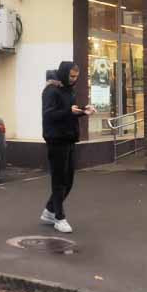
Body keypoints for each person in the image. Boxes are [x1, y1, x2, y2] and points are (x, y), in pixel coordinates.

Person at [40, 61, 93, 234]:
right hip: (56, 140)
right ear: (64, 73)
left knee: (68, 181)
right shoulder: (51, 91)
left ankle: (49, 211)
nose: (73, 79)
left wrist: (84, 111)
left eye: (76, 77)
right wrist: (70, 112)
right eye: (71, 76)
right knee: (59, 181)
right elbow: (49, 115)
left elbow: (71, 112)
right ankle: (59, 218)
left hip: (69, 138)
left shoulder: (69, 90)